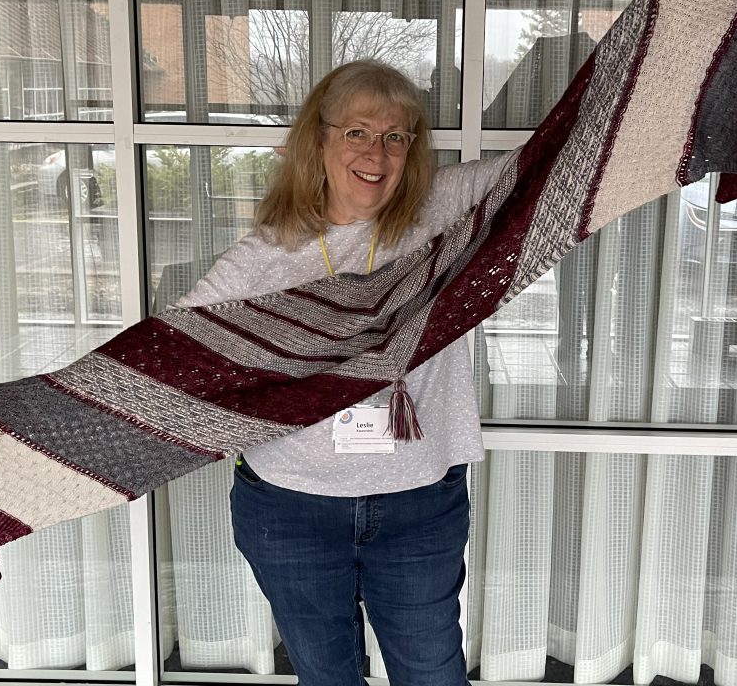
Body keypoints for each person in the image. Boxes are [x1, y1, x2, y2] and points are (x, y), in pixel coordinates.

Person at [178, 60, 510, 686]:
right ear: (319, 140)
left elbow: (561, 163)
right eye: (357, 131)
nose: (376, 153)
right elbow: (174, 356)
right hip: (291, 506)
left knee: (432, 674)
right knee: (326, 678)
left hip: (419, 500)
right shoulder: (264, 257)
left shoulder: (443, 213)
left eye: (396, 135)